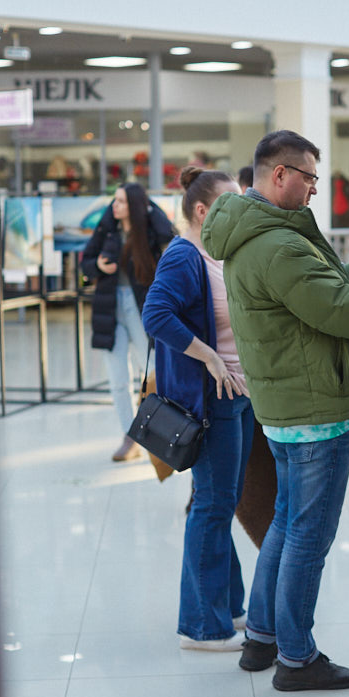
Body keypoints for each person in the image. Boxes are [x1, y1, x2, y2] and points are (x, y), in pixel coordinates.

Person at [202, 130, 349, 691]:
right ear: (278, 174)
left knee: (286, 522)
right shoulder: (278, 244)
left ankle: (262, 638)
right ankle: (298, 659)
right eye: (308, 177)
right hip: (315, 411)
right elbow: (348, 315)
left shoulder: (261, 233)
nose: (312, 189)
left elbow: (327, 290)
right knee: (308, 535)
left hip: (289, 404)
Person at [142, 167, 253, 651]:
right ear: (203, 211)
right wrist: (208, 357)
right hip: (213, 403)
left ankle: (226, 607)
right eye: (230, 204)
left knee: (219, 504)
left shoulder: (214, 253)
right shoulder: (184, 255)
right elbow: (156, 314)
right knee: (210, 506)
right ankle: (202, 627)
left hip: (237, 399)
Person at [80, 183, 175, 461]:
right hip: (110, 308)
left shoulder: (149, 228)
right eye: (115, 201)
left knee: (153, 372)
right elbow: (86, 261)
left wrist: (147, 206)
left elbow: (169, 234)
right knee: (117, 379)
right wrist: (97, 266)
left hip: (141, 307)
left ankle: (152, 430)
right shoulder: (107, 228)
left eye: (121, 201)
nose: (115, 206)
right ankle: (130, 435)